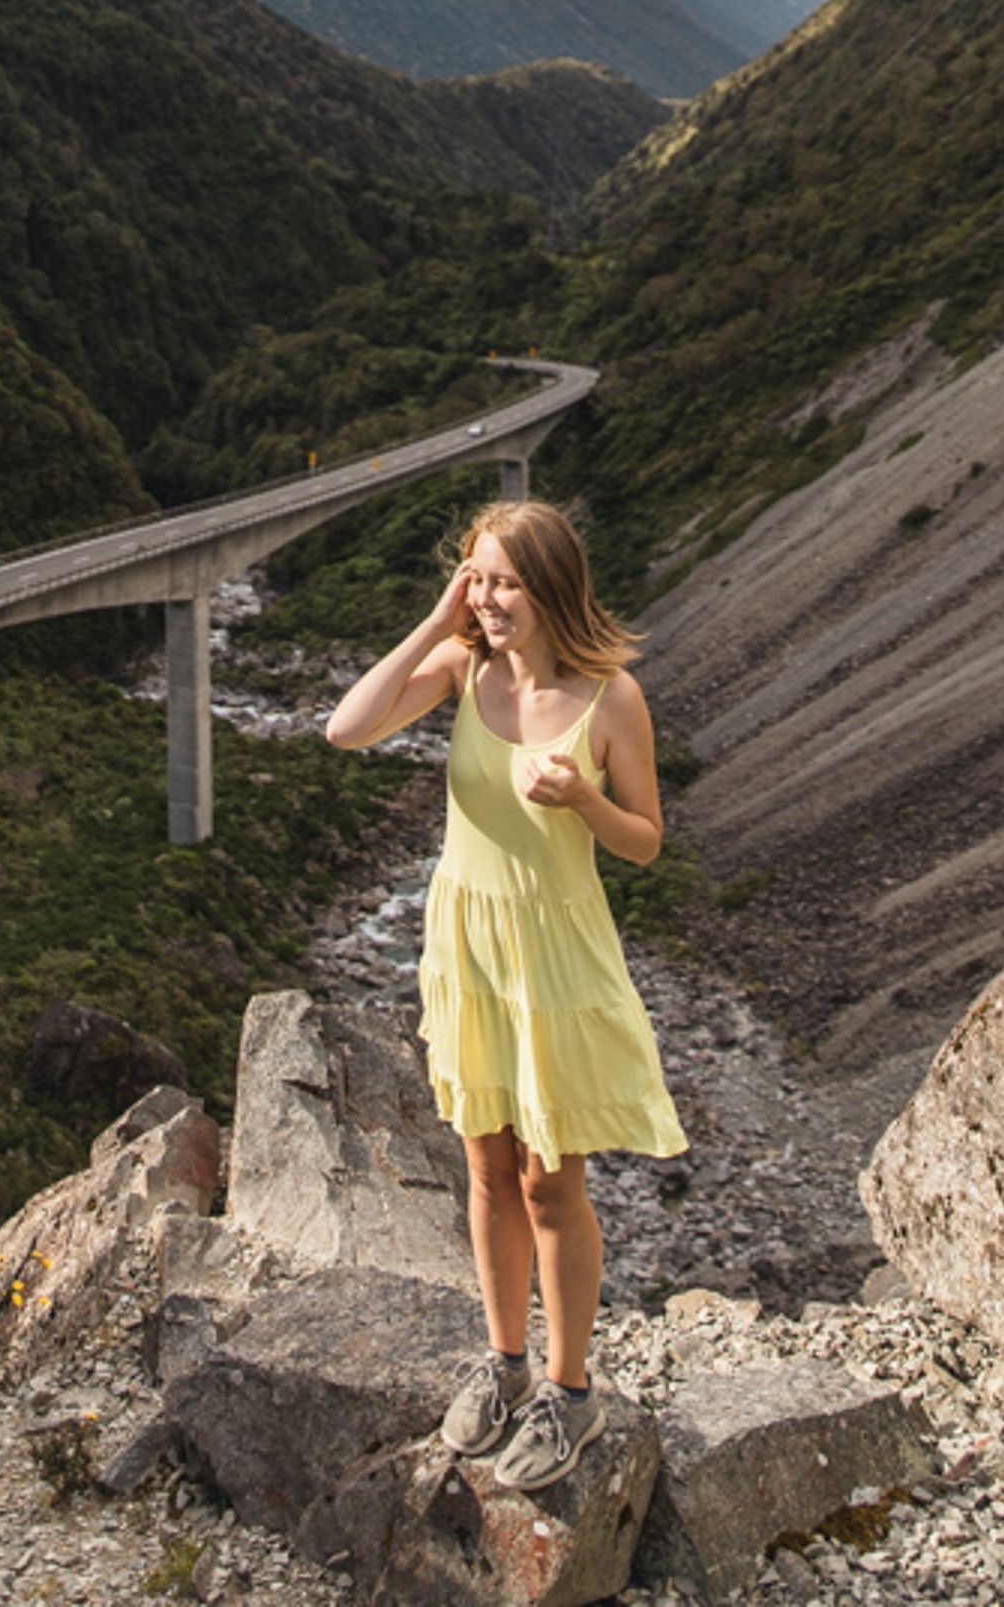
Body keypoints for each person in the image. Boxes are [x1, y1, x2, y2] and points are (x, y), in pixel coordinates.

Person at [324, 496, 686, 1492]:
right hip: (466, 942)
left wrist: (583, 798)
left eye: (503, 581)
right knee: (483, 1164)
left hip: (552, 953)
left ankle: (569, 1390)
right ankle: (503, 1359)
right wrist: (435, 622)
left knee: (548, 1179)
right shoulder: (461, 669)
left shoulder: (609, 698)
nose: (486, 598)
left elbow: (645, 839)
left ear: (551, 587)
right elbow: (343, 727)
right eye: (475, 576)